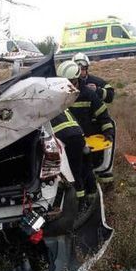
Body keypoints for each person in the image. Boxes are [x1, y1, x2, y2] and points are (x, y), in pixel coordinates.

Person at [50, 61, 97, 215]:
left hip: (69, 139)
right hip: (78, 136)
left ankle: (80, 205)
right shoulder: (60, 99)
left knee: (74, 173)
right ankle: (89, 199)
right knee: (84, 168)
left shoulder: (54, 98)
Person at [71, 53, 116, 183]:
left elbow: (110, 96)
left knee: (102, 148)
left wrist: (98, 91)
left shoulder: (96, 82)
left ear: (87, 68)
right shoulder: (66, 85)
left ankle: (105, 174)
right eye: (78, 69)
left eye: (83, 68)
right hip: (76, 127)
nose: (81, 72)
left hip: (93, 123)